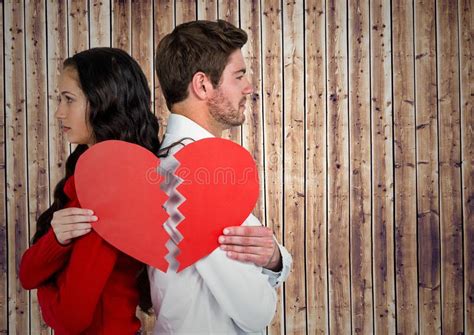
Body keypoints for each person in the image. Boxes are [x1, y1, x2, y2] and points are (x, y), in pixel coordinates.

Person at [149, 20, 293, 334]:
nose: (249, 87)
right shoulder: (194, 176)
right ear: (202, 85)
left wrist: (273, 258)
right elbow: (256, 311)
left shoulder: (171, 163)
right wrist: (276, 263)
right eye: (238, 75)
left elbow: (264, 254)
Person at [19, 48, 160, 334]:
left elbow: (71, 318)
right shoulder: (88, 175)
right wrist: (56, 242)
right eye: (59, 99)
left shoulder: (111, 187)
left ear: (104, 101)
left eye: (68, 100)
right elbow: (27, 274)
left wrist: (48, 281)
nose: (59, 113)